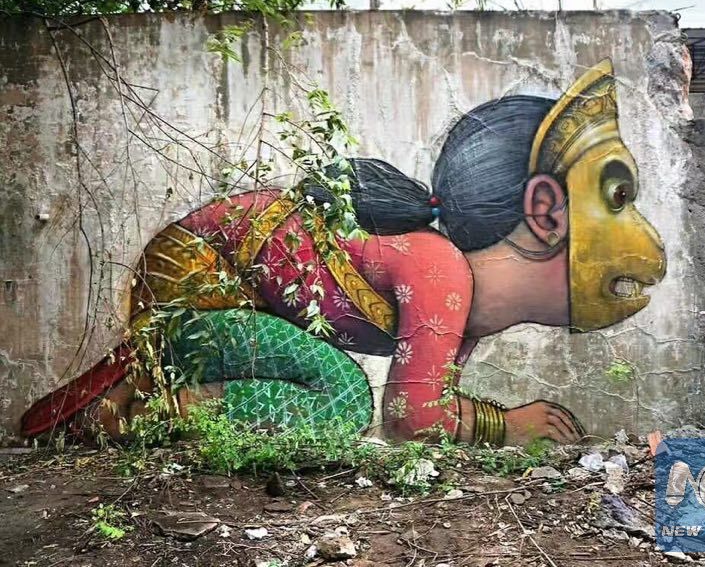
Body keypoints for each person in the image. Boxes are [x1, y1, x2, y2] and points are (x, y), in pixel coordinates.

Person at [22, 60, 666, 447]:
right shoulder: (439, 268)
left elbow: (430, 408)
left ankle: (160, 406)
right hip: (196, 287)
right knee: (342, 398)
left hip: (225, 309)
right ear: (546, 212)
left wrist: (474, 421)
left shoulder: (467, 309)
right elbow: (411, 419)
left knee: (335, 393)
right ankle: (124, 418)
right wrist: (509, 426)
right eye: (615, 197)